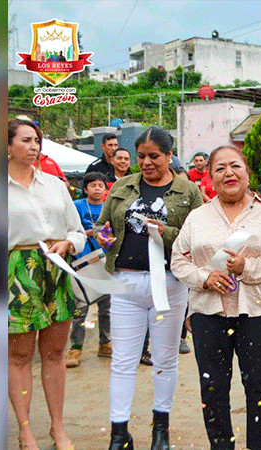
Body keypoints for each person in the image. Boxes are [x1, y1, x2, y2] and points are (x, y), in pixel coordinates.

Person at [171, 145, 261, 449]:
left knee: (260, 386)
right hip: (208, 314)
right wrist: (205, 277)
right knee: (213, 388)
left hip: (256, 312)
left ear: (247, 173)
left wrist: (246, 266)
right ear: (210, 177)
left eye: (235, 166)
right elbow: (178, 260)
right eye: (220, 168)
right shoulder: (198, 217)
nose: (229, 173)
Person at [94, 125, 202, 450]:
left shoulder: (188, 191)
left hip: (169, 285)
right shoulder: (122, 186)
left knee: (165, 360)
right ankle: (118, 434)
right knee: (123, 362)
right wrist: (102, 236)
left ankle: (160, 431)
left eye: (154, 156)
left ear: (169, 156)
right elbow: (103, 225)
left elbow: (197, 238)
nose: (146, 162)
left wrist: (164, 233)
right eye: (141, 156)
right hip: (125, 283)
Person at [8, 118, 86, 450]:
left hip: (57, 269)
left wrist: (69, 244)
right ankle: (25, 430)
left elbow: (78, 230)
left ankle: (58, 428)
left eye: (37, 140)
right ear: (7, 145)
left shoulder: (55, 184)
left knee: (54, 353)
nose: (34, 146)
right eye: (26, 140)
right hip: (17, 272)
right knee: (20, 355)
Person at [65, 171, 112, 368]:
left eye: (100, 185)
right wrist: (92, 232)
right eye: (93, 185)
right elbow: (70, 229)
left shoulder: (108, 207)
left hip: (103, 261)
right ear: (85, 189)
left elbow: (112, 230)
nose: (97, 189)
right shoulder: (77, 206)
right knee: (81, 308)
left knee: (106, 308)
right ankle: (75, 348)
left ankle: (105, 344)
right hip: (81, 261)